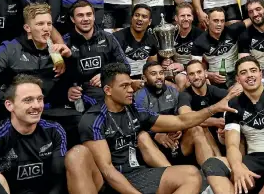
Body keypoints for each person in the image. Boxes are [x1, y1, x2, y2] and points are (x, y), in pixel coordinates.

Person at [77, 62, 241, 194]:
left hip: (138, 172)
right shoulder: (94, 119)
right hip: (116, 180)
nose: (130, 90)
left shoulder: (133, 109)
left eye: (130, 84)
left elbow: (180, 122)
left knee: (192, 174)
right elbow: (107, 171)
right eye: (124, 86)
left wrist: (214, 108)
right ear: (108, 90)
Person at [0, 3, 72, 136]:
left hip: (45, 110)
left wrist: (70, 59)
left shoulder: (58, 50)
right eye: (40, 24)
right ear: (27, 28)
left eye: (49, 24)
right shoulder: (11, 48)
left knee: (78, 122)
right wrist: (2, 98)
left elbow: (72, 80)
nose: (46, 29)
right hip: (14, 112)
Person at [0, 75, 67, 194]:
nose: (37, 106)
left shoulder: (54, 130)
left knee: (76, 156)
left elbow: (59, 178)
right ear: (9, 105)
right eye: (28, 100)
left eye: (40, 99)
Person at [201, 56, 264, 194]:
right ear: (238, 79)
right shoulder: (233, 105)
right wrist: (238, 167)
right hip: (253, 159)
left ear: (260, 73)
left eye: (253, 70)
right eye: (243, 72)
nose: (249, 75)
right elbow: (232, 145)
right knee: (212, 165)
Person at [135, 62, 216, 167]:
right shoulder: (138, 97)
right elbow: (136, 127)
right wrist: (155, 135)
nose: (159, 77)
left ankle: (212, 173)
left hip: (177, 144)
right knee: (142, 136)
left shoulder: (174, 92)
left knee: (197, 128)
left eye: (161, 73)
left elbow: (184, 118)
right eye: (154, 74)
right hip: (155, 148)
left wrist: (179, 130)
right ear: (144, 78)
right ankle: (172, 174)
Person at [64, 0, 129, 107]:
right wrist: (67, 90)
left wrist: (105, 75)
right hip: (80, 94)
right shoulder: (65, 42)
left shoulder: (108, 38)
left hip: (106, 88)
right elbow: (57, 77)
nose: (85, 19)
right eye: (80, 15)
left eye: (89, 15)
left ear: (94, 17)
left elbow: (125, 66)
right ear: (72, 19)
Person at [177, 60, 229, 157]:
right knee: (199, 125)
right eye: (192, 74)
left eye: (199, 72)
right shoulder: (184, 95)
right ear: (187, 78)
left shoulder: (213, 90)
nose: (196, 77)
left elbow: (234, 99)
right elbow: (186, 117)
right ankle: (215, 163)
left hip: (216, 138)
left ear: (205, 73)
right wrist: (216, 121)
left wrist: (227, 123)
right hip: (190, 144)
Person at [191, 8, 251, 88]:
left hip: (235, 74)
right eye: (215, 21)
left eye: (222, 21)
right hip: (214, 77)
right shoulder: (199, 42)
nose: (219, 24)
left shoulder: (233, 30)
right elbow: (194, 67)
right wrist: (208, 75)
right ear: (208, 21)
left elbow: (251, 19)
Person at [113, 4, 159, 88]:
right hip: (121, 80)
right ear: (131, 18)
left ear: (149, 22)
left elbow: (152, 66)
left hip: (142, 80)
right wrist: (130, 82)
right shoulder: (117, 38)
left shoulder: (152, 39)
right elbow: (112, 69)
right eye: (137, 15)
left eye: (144, 17)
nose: (140, 19)